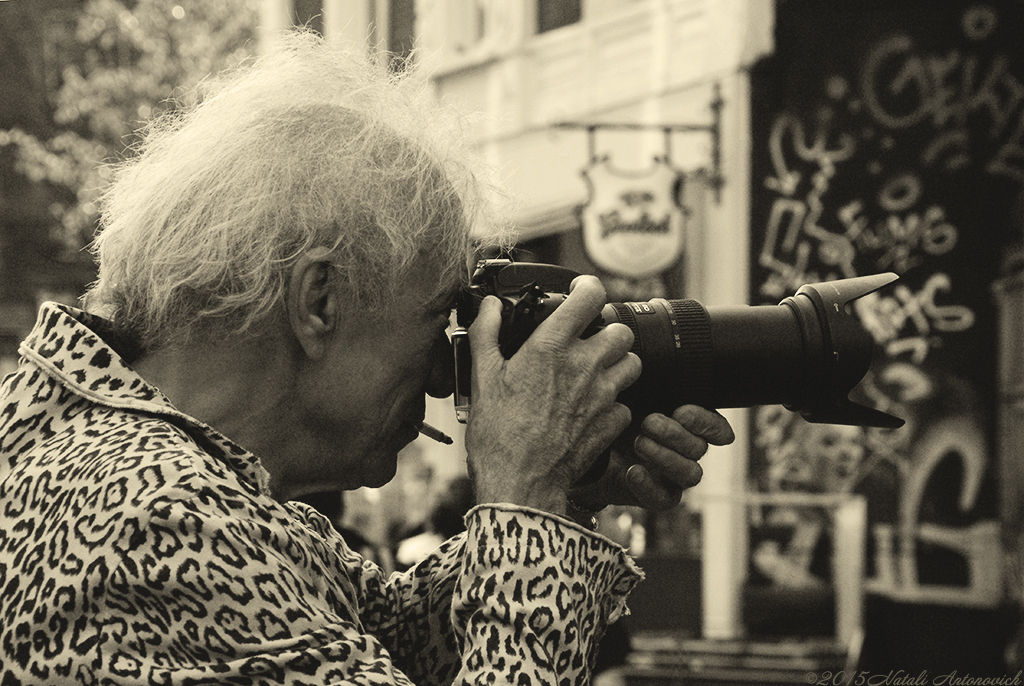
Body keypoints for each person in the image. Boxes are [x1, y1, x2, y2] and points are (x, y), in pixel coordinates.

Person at [0, 31, 734, 685]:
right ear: (319, 301)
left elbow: (386, 637)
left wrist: (564, 489)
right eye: (435, 319)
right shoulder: (163, 513)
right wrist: (529, 503)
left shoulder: (90, 447)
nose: (447, 370)